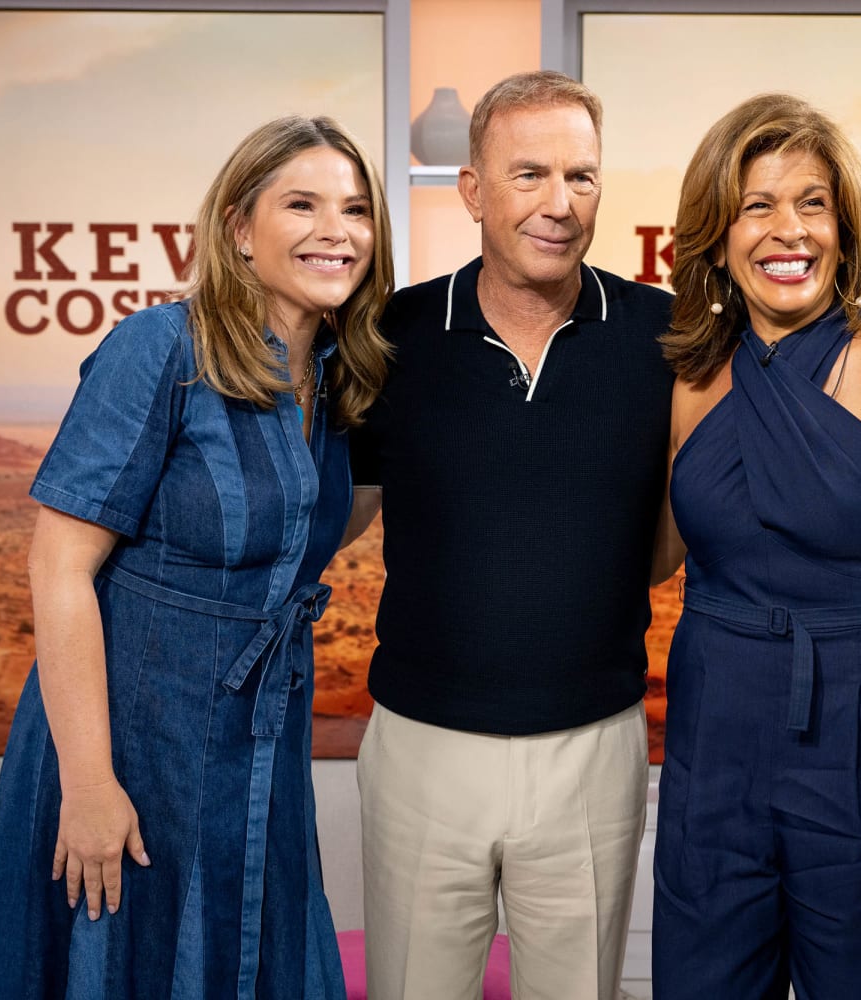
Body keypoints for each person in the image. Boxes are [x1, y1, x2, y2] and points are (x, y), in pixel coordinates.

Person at [0, 114, 394, 1000]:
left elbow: (301, 530)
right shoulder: (160, 348)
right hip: (134, 736)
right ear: (239, 229)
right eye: (302, 204)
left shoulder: (339, 374)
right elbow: (59, 565)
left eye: (355, 210)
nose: (336, 231)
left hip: (260, 735)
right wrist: (89, 785)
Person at [650, 93, 861, 998]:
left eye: (813, 203)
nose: (789, 230)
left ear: (846, 230)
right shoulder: (689, 378)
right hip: (712, 753)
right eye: (756, 206)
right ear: (716, 236)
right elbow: (646, 561)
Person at [347, 71, 675, 1000]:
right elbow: (335, 510)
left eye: (581, 177)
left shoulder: (664, 335)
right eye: (529, 174)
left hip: (593, 747)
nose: (559, 203)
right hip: (422, 746)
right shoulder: (390, 334)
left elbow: (674, 533)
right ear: (472, 190)